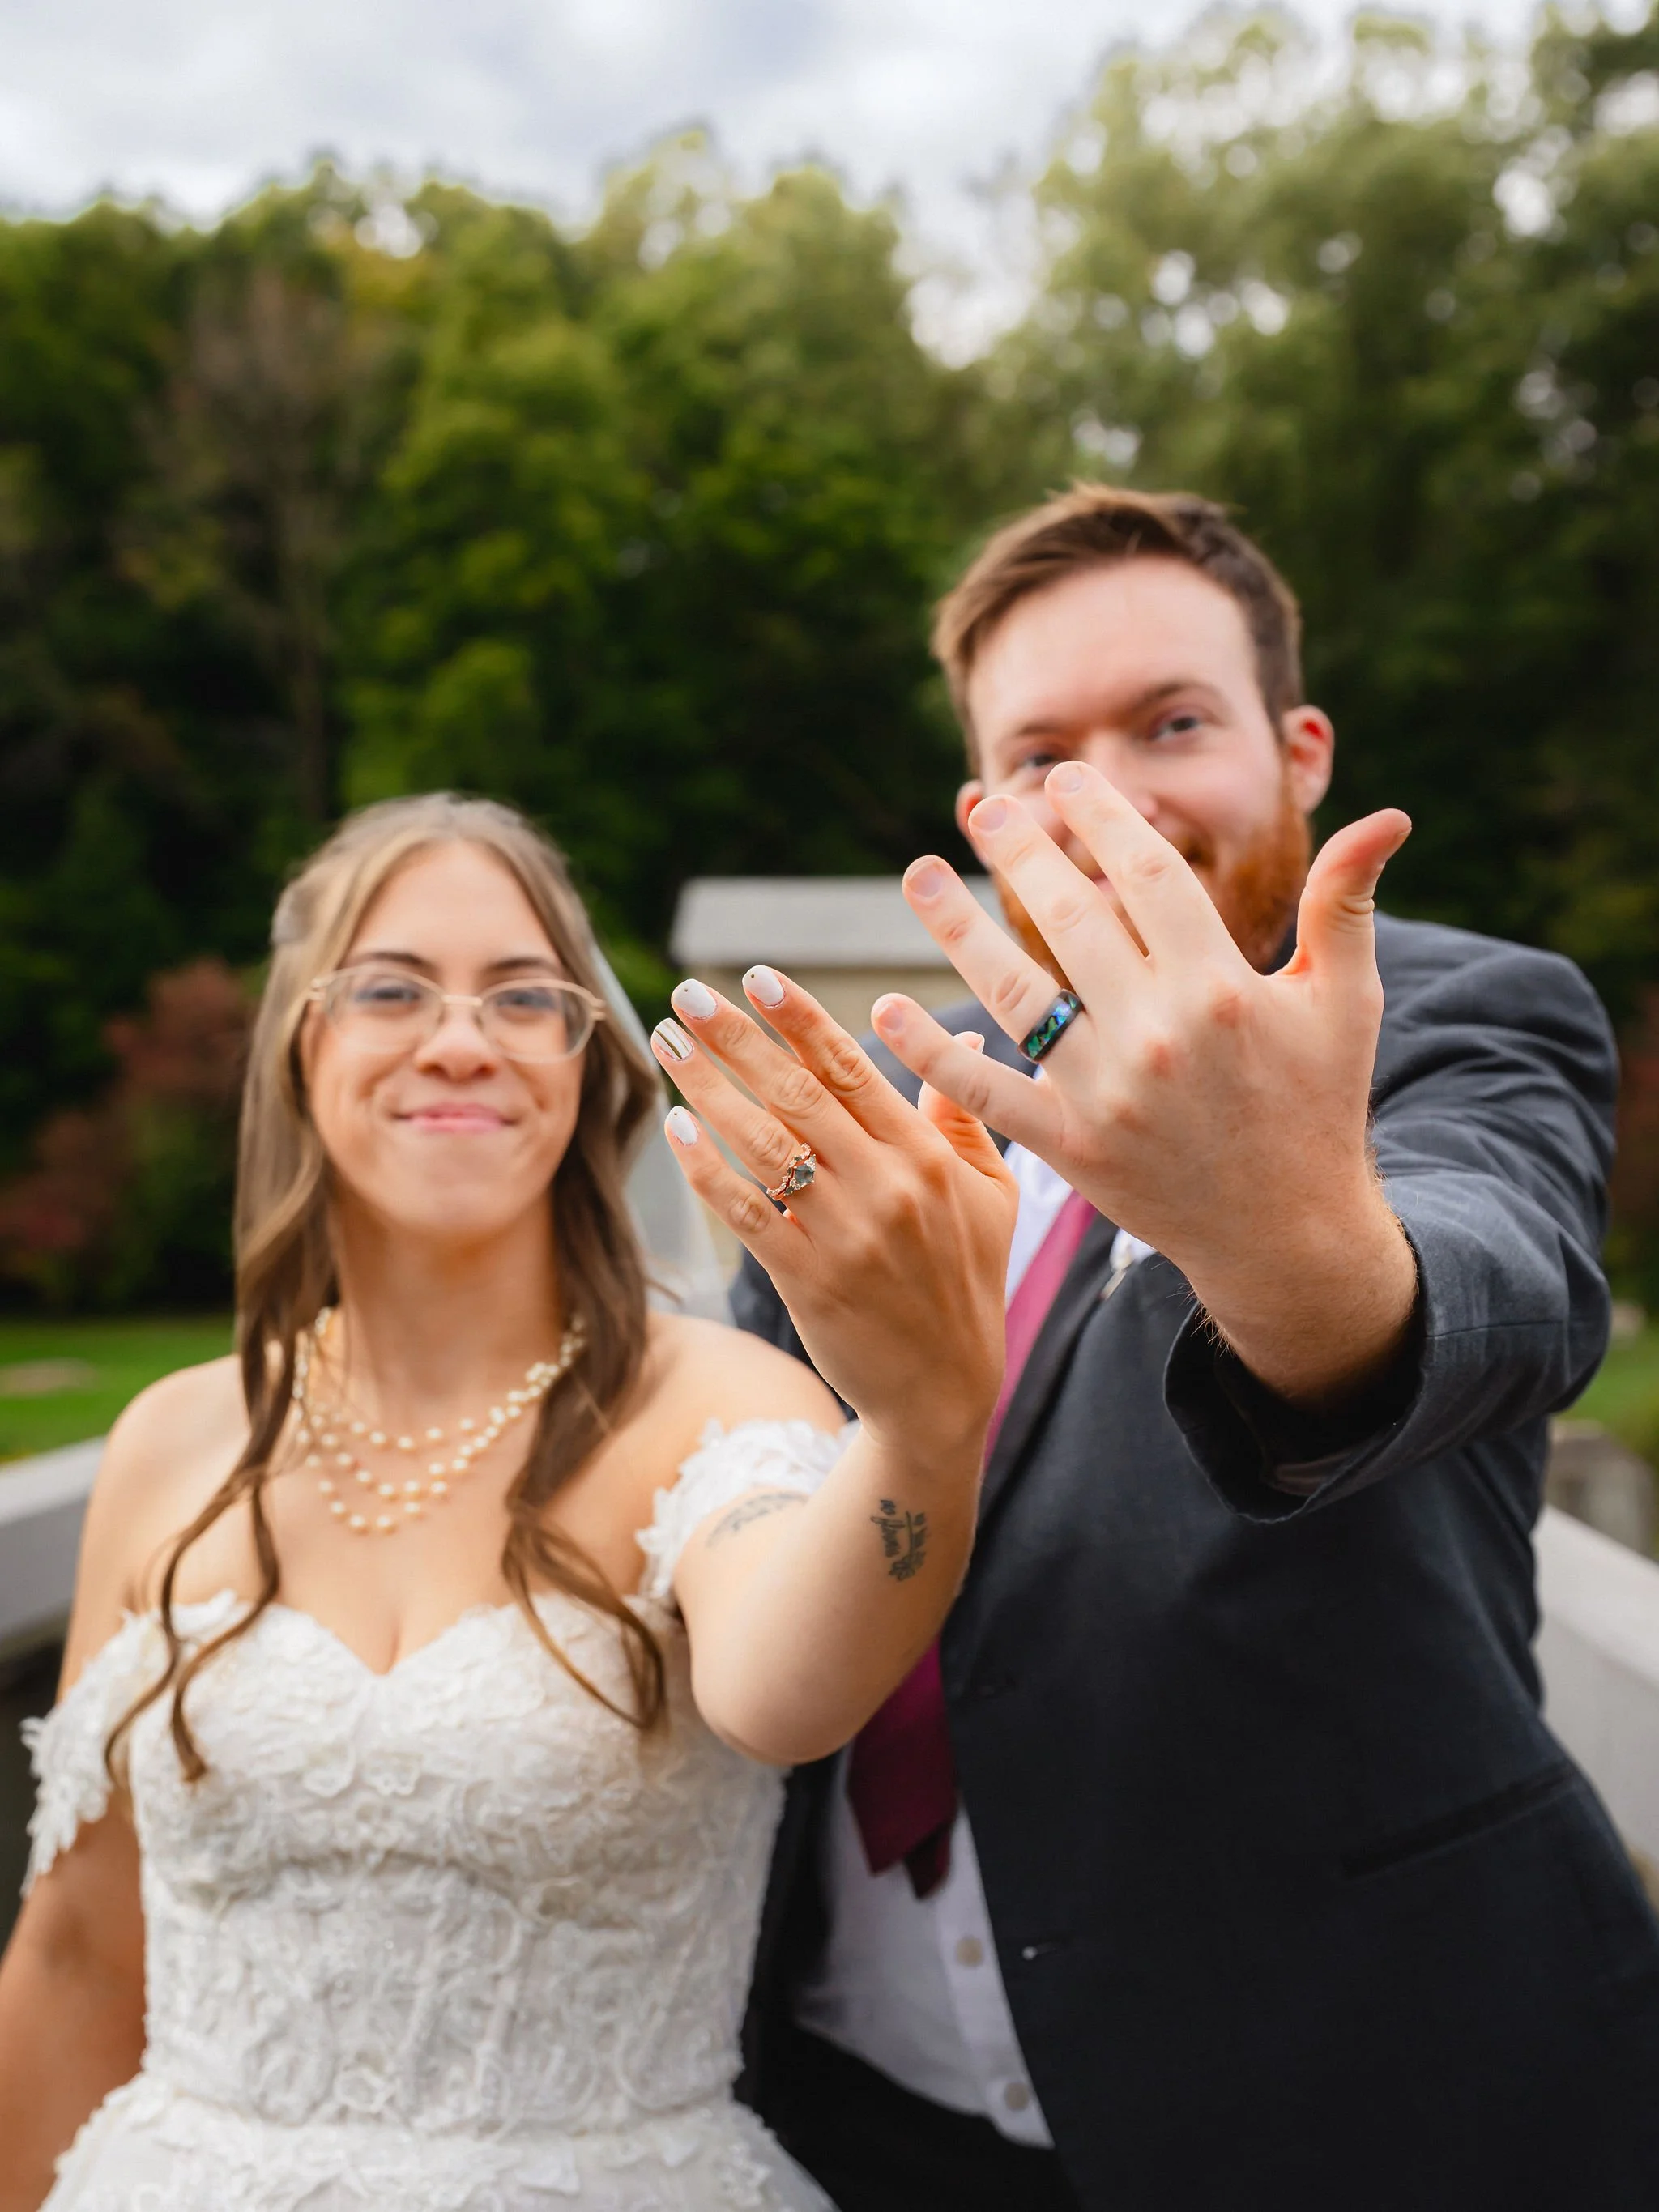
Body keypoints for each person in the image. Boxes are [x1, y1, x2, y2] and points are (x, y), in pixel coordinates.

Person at [732, 487, 1659, 2212]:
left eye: (1171, 723)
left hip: (1354, 2103)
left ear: (1299, 752)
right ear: (982, 811)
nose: (1111, 796)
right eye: (1041, 754)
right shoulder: (883, 1098)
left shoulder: (1466, 1017)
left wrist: (1273, 1234)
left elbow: (1486, 1282)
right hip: (846, 2106)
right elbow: (746, 1465)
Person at [0, 792, 1016, 2212]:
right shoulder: (174, 1439)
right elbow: (79, 1951)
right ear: (307, 1043)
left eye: (523, 996)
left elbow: (790, 1689)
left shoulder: (717, 1403)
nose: (460, 1036)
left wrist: (922, 1423)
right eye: (393, 987)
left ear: (583, 1066)